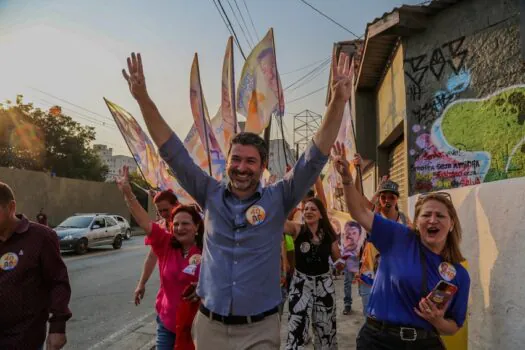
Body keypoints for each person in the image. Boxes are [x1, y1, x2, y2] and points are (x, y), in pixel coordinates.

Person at [121, 50, 352, 349]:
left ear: (262, 165)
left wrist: (337, 100)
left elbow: (314, 157)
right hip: (209, 327)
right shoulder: (209, 193)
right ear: (228, 162)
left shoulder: (280, 196)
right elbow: (173, 151)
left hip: (259, 330)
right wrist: (142, 98)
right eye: (237, 159)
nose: (242, 167)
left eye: (251, 161)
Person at [332, 143, 470, 349]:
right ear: (417, 221)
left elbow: (454, 326)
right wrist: (346, 179)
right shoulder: (398, 236)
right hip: (379, 341)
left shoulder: (459, 274)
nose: (432, 220)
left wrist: (437, 320)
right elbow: (359, 213)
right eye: (426, 215)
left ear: (451, 225)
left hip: (424, 343)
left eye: (440, 216)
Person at [116, 167, 202, 350]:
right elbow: (144, 222)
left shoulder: (209, 251)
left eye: (186, 223)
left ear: (196, 226)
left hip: (197, 326)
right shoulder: (166, 244)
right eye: (176, 224)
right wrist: (128, 193)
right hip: (167, 322)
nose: (180, 228)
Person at [0, 182, 71, 350]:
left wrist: (57, 327)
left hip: (24, 340)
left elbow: (58, 282)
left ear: (11, 207)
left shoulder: (41, 237)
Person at [353, 154, 413, 315]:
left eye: (391, 197)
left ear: (397, 200)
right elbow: (357, 197)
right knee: (371, 318)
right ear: (379, 199)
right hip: (369, 277)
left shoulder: (406, 221)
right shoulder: (373, 217)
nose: (387, 200)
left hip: (396, 278)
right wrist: (357, 169)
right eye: (383, 197)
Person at [284, 197, 344, 350]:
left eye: (313, 209)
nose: (308, 211)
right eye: (306, 209)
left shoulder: (329, 236)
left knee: (326, 329)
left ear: (321, 214)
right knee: (296, 328)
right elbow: (280, 224)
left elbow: (338, 262)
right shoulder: (297, 229)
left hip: (324, 284)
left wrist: (346, 261)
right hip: (301, 284)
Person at [342, 221, 362, 315]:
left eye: (354, 233)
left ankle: (367, 303)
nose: (351, 235)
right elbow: (344, 246)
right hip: (349, 258)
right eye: (349, 233)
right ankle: (347, 304)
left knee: (363, 282)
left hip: (362, 257)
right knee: (347, 283)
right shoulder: (345, 234)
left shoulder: (363, 230)